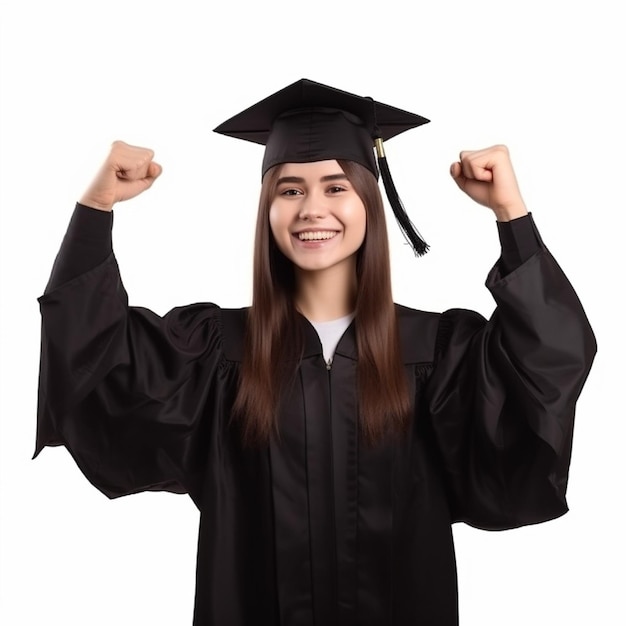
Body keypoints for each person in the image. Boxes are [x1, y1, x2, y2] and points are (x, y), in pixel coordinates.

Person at [35, 79, 596, 625]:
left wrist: (512, 216)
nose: (311, 209)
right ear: (267, 210)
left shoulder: (438, 353)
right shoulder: (213, 354)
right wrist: (97, 204)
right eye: (290, 189)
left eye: (335, 187)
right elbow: (91, 351)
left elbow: (550, 354)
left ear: (370, 205)